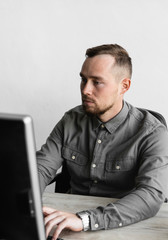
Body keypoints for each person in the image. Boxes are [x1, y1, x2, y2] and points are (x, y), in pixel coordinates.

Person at [37, 44, 168, 240]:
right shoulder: (70, 120)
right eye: (83, 79)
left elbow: (151, 195)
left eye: (97, 82)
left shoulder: (152, 132)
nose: (85, 90)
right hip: (68, 221)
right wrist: (26, 205)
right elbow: (41, 168)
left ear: (124, 86)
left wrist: (85, 220)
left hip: (122, 223)